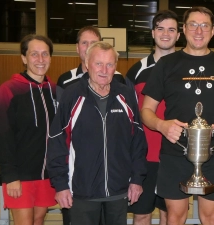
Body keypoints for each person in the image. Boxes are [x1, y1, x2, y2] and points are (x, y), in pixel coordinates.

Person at [141, 6, 214, 225]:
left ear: (213, 31)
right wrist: (162, 125)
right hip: (174, 154)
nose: (198, 31)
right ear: (184, 29)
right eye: (193, 25)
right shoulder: (166, 65)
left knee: (210, 216)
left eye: (204, 25)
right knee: (176, 216)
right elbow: (146, 110)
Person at [47, 41, 147, 225]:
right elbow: (56, 142)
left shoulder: (126, 96)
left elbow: (138, 143)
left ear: (115, 67)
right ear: (86, 63)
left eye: (110, 64)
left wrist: (137, 179)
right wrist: (61, 185)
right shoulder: (72, 96)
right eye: (98, 63)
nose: (104, 70)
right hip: (82, 192)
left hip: (118, 191)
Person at [125, 10, 180, 225]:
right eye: (160, 28)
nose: (165, 34)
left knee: (172, 215)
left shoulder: (187, 69)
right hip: (144, 158)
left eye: (171, 29)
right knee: (142, 214)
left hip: (176, 157)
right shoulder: (136, 71)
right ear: (152, 32)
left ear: (178, 35)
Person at [0, 34, 57, 225]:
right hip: (20, 177)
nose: (40, 60)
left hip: (46, 176)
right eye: (34, 54)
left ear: (50, 58)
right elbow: (3, 136)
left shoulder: (55, 91)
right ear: (24, 58)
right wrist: (11, 176)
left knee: (38, 220)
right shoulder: (9, 90)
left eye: (45, 54)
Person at [56, 26, 124, 100]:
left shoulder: (118, 78)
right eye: (84, 43)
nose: (89, 47)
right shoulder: (64, 81)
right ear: (77, 48)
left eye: (93, 43)